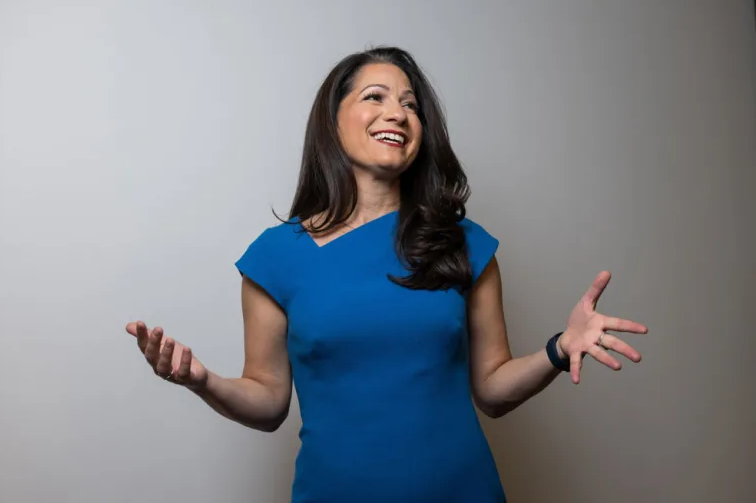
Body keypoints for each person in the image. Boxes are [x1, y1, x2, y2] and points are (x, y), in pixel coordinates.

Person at [125, 46, 648, 502]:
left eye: (410, 104)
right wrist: (202, 382)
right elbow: (267, 401)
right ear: (334, 120)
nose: (396, 113)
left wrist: (559, 348)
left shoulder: (464, 244)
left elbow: (492, 389)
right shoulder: (275, 257)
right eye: (375, 97)